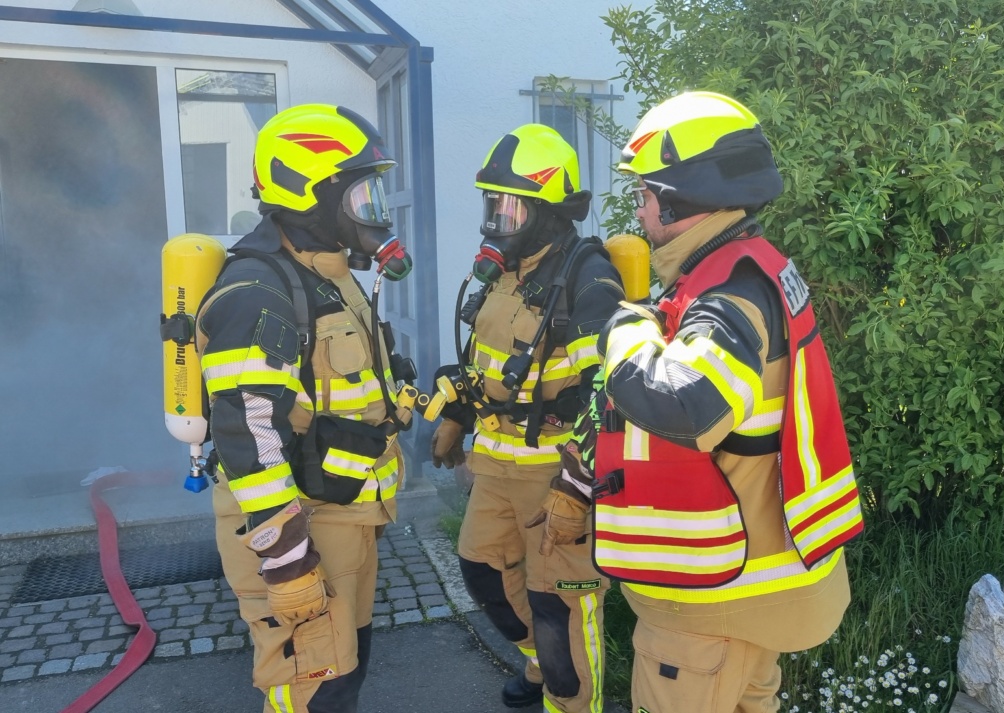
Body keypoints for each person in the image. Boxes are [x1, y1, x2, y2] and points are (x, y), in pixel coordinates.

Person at [584, 91, 865, 712]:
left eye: (645, 193)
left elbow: (688, 406)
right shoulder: (747, 267)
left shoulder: (727, 295)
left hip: (712, 605)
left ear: (681, 198)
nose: (639, 208)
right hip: (751, 586)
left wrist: (621, 324)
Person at [194, 103, 416, 713]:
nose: (374, 210)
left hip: (345, 517)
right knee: (314, 690)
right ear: (309, 192)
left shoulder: (326, 274)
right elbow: (246, 434)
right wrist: (288, 561)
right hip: (300, 535)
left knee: (345, 673)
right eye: (361, 193)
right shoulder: (257, 293)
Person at [430, 124, 625, 712]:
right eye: (492, 205)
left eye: (511, 208)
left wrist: (578, 486)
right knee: (482, 571)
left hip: (555, 472)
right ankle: (540, 663)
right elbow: (485, 360)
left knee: (559, 603)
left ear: (550, 212)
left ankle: (573, 702)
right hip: (495, 460)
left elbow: (609, 392)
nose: (497, 221)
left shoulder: (588, 277)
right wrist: (457, 416)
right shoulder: (506, 272)